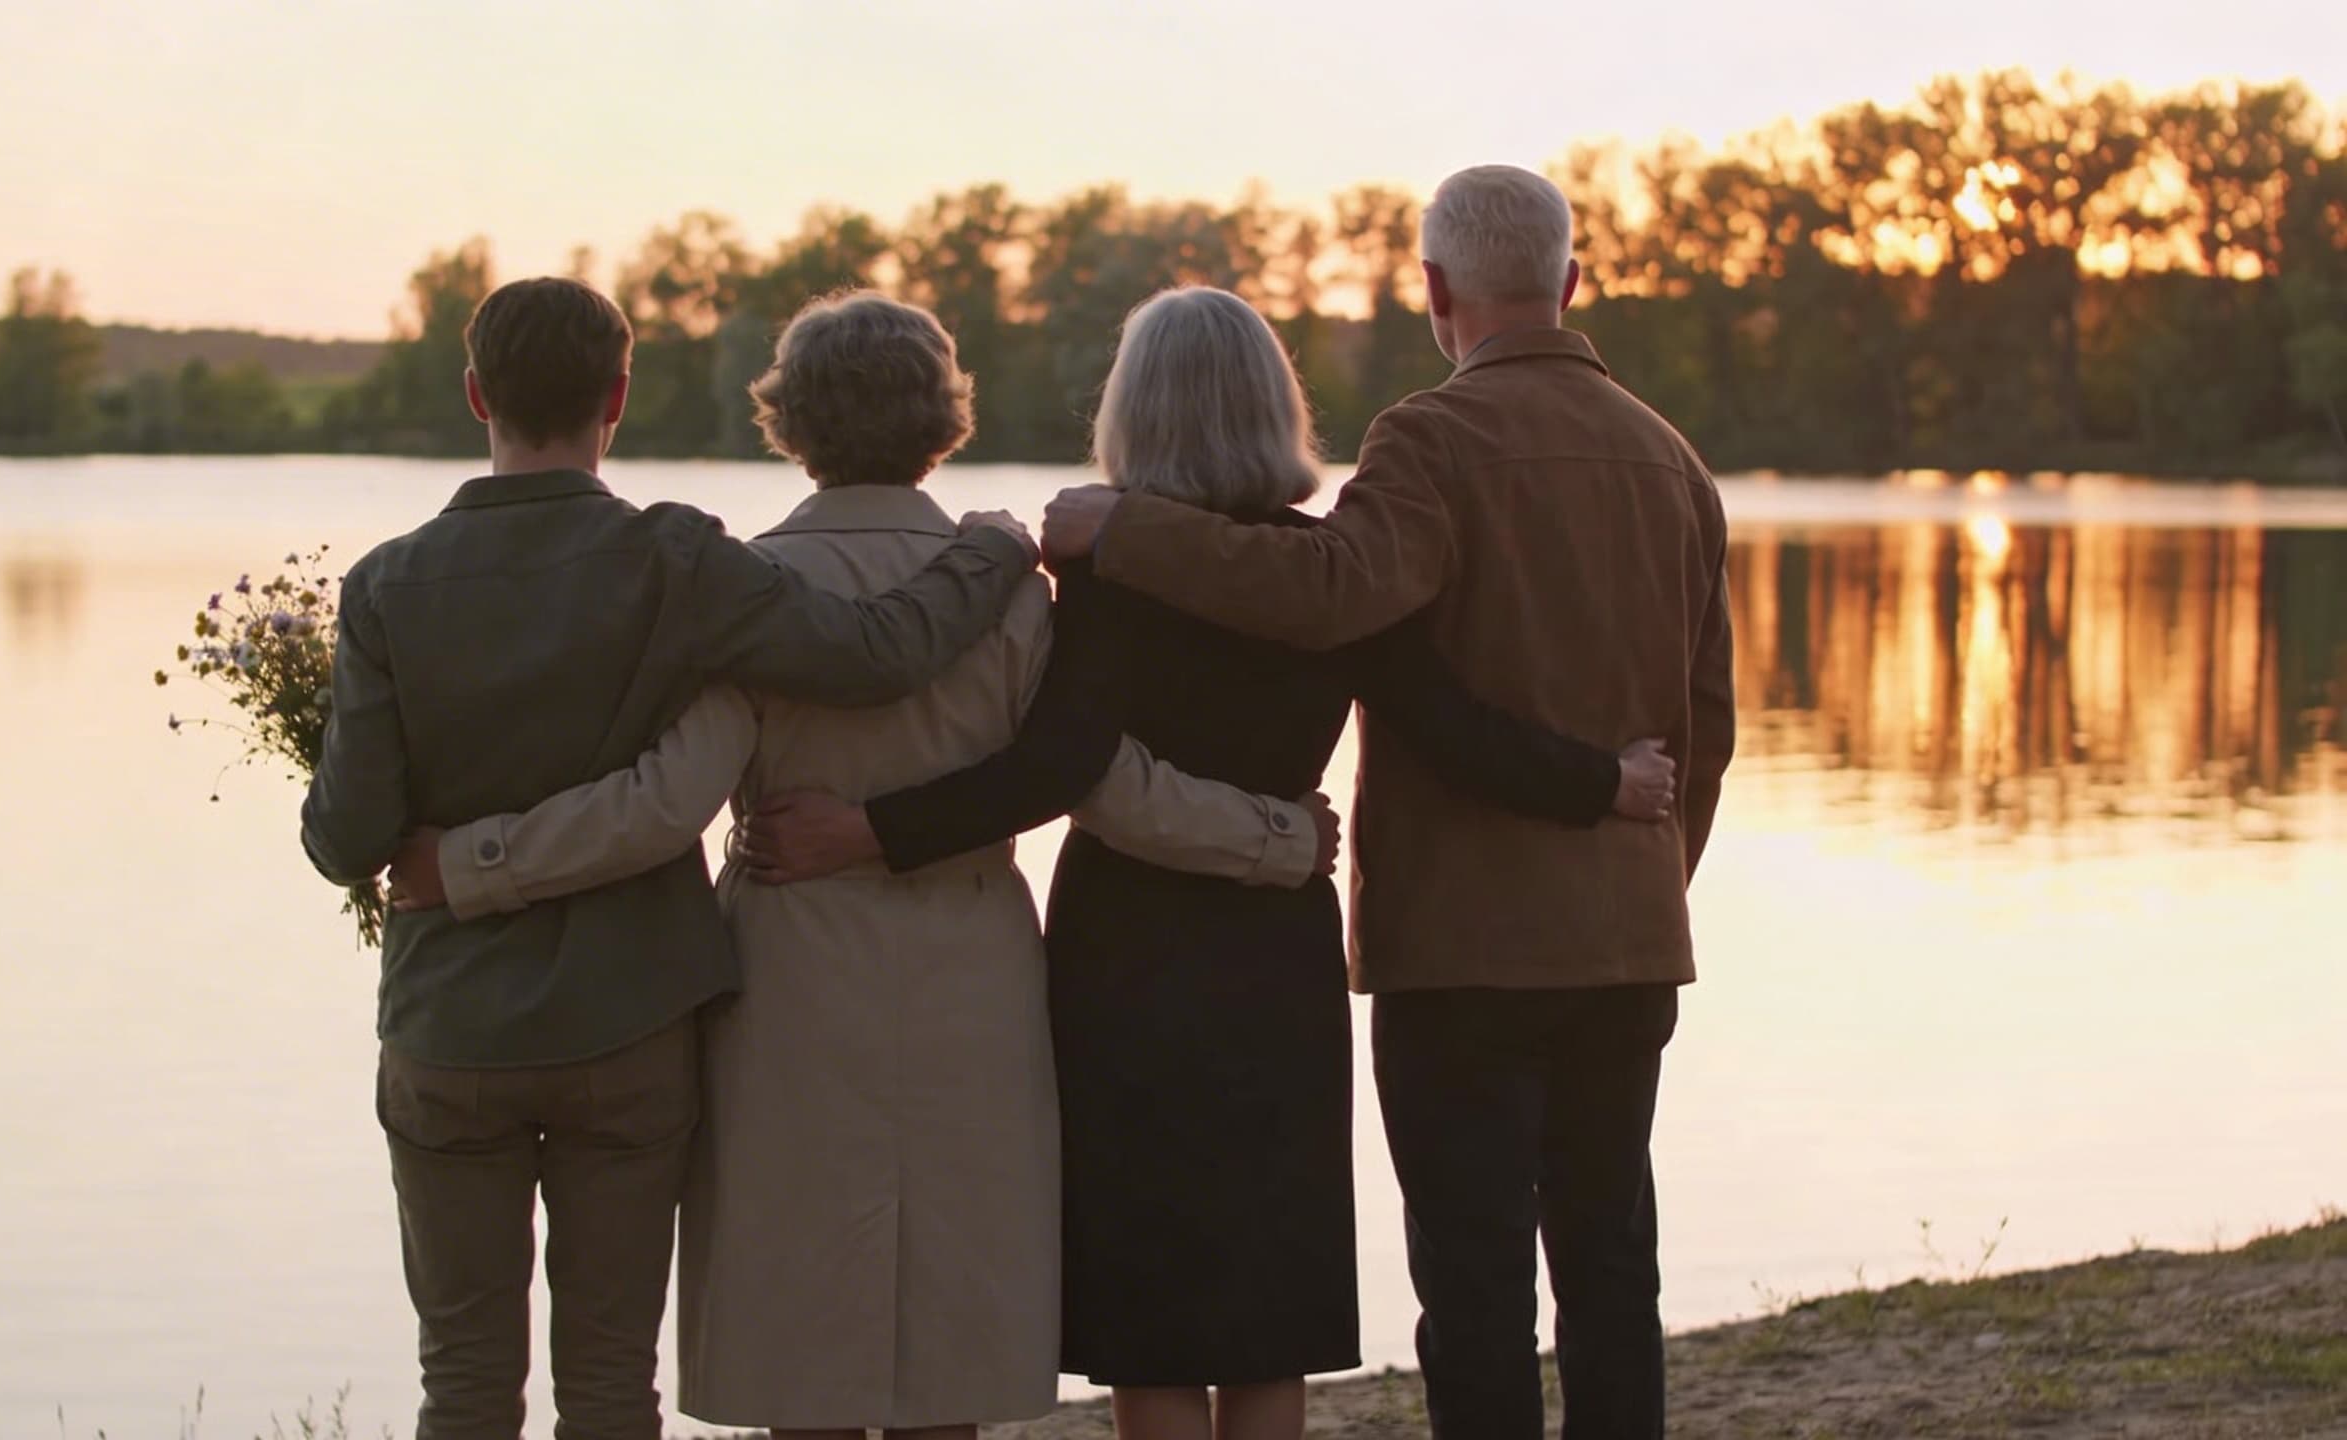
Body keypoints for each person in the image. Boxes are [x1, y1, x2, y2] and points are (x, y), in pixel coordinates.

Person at [384, 290, 1349, 1440]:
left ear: (788, 421)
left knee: (805, 1345)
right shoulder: (1006, 591)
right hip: (971, 976)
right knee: (948, 1350)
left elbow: (668, 801)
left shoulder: (742, 592)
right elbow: (1096, 780)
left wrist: (472, 862)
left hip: (791, 977)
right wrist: (1275, 836)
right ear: (942, 418)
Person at [746, 285, 1678, 1440]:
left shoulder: (1102, 569)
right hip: (1276, 951)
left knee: (1155, 1306)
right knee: (1264, 1299)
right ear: (1272, 405)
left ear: (1130, 414)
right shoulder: (1332, 576)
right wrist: (1605, 783)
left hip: (1125, 954)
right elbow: (1451, 724)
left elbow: (1056, 768)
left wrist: (870, 830)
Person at [1040, 167, 1738, 1440]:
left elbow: (1324, 591)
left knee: (1472, 1286)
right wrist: (1646, 881)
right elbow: (1711, 727)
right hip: (1629, 943)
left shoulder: (1429, 440)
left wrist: (1121, 531)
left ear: (1432, 290)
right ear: (1570, 282)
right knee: (1610, 1265)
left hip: (1463, 953)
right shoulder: (1673, 460)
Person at [297, 276, 1042, 1440]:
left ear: (474, 393)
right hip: (631, 1021)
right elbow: (872, 654)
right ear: (620, 396)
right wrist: (997, 553)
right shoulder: (678, 564)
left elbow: (349, 842)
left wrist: (410, 825)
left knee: (462, 1378)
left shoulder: (386, 585)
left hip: (452, 1026)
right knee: (608, 1380)